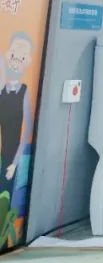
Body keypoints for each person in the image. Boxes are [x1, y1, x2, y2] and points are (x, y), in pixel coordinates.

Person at [0, 33, 33, 206]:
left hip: (9, 159)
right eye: (13, 55)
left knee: (4, 198)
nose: (16, 61)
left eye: (22, 57)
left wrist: (14, 163)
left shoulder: (24, 92)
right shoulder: (2, 89)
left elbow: (27, 130)